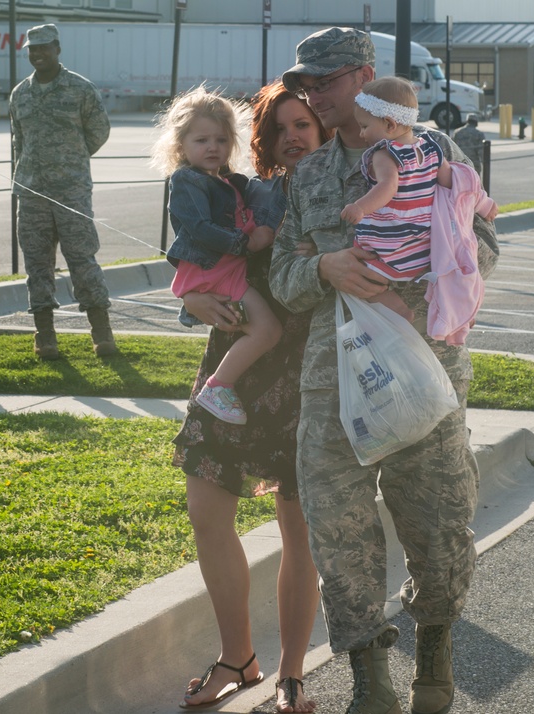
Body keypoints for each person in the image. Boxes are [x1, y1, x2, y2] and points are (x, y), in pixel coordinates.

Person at [270, 27, 499, 714]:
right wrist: (322, 267)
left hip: (426, 368)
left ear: (364, 77)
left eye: (327, 80)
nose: (313, 93)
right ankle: (368, 675)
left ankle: (434, 646)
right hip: (333, 377)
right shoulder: (308, 174)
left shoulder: (433, 152)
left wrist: (425, 281)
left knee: (438, 519)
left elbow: (483, 240)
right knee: (336, 525)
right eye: (305, 83)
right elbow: (282, 276)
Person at [172, 81, 331, 713]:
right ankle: (238, 657)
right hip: (235, 370)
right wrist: (190, 300)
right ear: (262, 139)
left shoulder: (339, 191)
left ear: (323, 132)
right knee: (207, 514)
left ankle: (292, 674)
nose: (294, 137)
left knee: (298, 530)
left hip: (306, 376)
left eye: (305, 126)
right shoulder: (244, 190)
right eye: (282, 128)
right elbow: (202, 251)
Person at [154, 86, 282, 425]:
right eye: (202, 140)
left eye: (222, 140)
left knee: (259, 328)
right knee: (267, 331)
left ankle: (222, 381)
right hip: (216, 271)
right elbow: (199, 227)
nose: (213, 147)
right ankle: (218, 385)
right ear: (180, 144)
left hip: (226, 270)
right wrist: (247, 243)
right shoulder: (187, 180)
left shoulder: (226, 181)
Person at [339, 77, 497, 324]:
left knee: (360, 277)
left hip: (389, 245)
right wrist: (485, 205)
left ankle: (398, 308)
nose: (361, 134)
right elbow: (457, 185)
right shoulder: (433, 149)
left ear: (389, 124)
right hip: (423, 248)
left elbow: (387, 187)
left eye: (364, 126)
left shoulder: (384, 153)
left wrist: (360, 207)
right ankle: (457, 308)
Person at [9, 23, 116, 360]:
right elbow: (18, 140)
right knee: (37, 265)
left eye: (43, 48)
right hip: (32, 193)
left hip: (71, 192)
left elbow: (98, 131)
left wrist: (69, 159)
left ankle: (102, 334)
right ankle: (45, 336)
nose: (37, 54)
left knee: (82, 260)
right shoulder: (19, 94)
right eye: (32, 49)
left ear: (57, 48)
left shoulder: (80, 89)